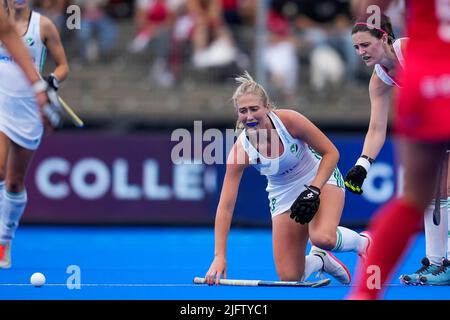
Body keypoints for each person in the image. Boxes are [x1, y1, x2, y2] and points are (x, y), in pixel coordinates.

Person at [204, 71, 371, 285]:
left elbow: (332, 153)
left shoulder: (289, 121)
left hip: (319, 175)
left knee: (322, 237)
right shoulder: (240, 152)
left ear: (267, 107)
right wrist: (219, 256)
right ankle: (320, 261)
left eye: (254, 109)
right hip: (282, 192)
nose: (249, 116)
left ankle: (364, 244)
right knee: (290, 276)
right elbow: (225, 207)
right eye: (243, 111)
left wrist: (314, 189)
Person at [348, 0, 450, 299]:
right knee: (435, 189)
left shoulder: (410, 50)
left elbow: (369, 6)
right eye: (355, 48)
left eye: (366, 44)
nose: (361, 52)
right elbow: (376, 129)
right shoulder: (379, 81)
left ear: (385, 38)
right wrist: (363, 164)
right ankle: (438, 263)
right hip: (434, 87)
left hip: (428, 85)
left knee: (428, 191)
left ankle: (364, 293)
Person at [0, 0, 69, 269]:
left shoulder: (44, 26)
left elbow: (63, 66)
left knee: (15, 183)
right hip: (1, 103)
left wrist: (50, 82)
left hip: (27, 108)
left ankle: (5, 240)